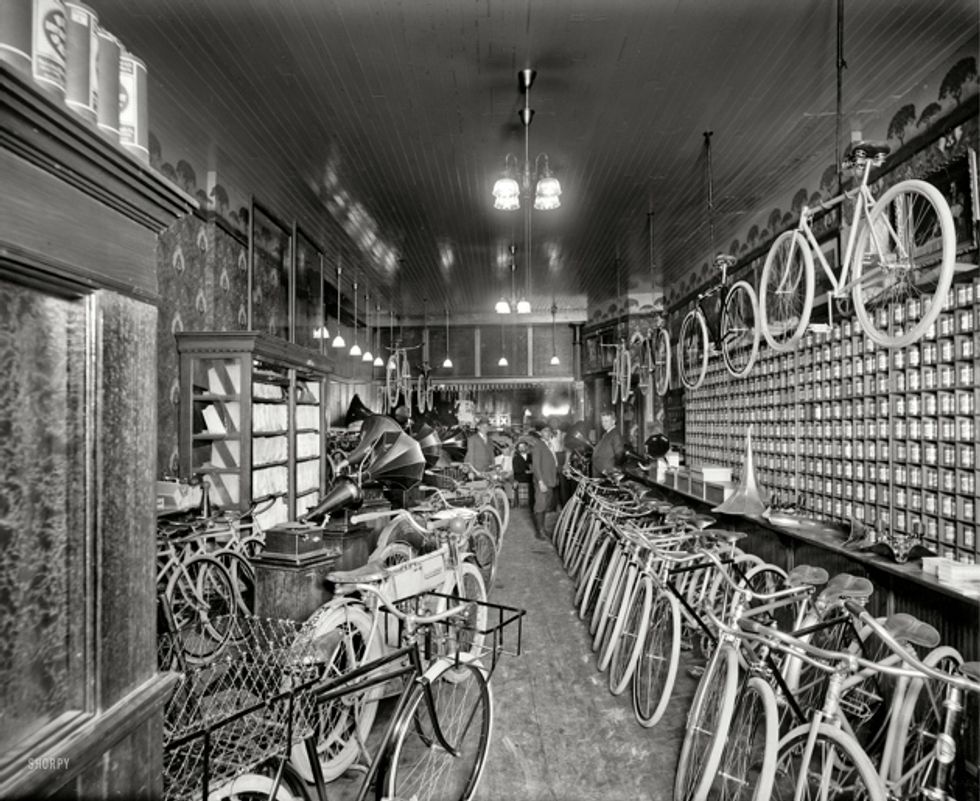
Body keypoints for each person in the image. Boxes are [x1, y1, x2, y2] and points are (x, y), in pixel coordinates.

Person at [530, 427, 559, 540]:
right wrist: (541, 482)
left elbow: (553, 462)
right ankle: (539, 531)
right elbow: (536, 466)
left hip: (549, 480)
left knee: (546, 505)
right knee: (540, 505)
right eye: (545, 431)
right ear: (540, 433)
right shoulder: (538, 445)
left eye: (548, 431)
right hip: (542, 481)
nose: (547, 433)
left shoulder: (550, 444)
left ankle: (543, 528)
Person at [592, 408, 625, 477]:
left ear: (613, 421)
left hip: (608, 474)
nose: (603, 424)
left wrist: (611, 471)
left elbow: (619, 454)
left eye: (606, 421)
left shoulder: (615, 434)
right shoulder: (607, 434)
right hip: (602, 472)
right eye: (602, 421)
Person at [512, 440, 534, 507]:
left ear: (526, 447)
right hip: (521, 477)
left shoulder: (531, 456)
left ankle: (532, 503)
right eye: (520, 447)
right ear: (518, 448)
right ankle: (523, 503)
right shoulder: (516, 458)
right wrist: (526, 471)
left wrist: (531, 471)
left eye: (523, 446)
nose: (522, 448)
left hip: (531, 477)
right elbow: (516, 470)